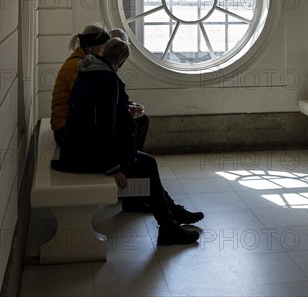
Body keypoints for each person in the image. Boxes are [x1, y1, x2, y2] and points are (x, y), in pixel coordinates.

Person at [52, 38, 203, 245]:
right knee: (147, 164)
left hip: (77, 148)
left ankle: (171, 215)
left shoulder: (88, 71)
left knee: (145, 163)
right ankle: (168, 224)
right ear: (121, 63)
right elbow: (104, 127)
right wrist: (113, 168)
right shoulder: (106, 79)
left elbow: (94, 114)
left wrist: (124, 110)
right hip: (86, 154)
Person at [50, 23, 111, 146]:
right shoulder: (76, 66)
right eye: (102, 47)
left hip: (67, 126)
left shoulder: (81, 62)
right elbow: (85, 101)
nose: (104, 52)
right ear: (90, 48)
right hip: (64, 130)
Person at [109, 28, 149, 151]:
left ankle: (133, 155)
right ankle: (132, 156)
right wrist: (127, 110)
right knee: (139, 122)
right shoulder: (108, 75)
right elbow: (108, 108)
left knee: (141, 120)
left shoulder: (104, 68)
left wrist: (128, 106)